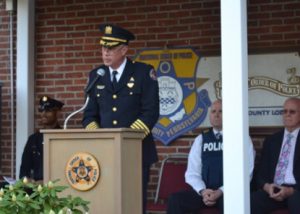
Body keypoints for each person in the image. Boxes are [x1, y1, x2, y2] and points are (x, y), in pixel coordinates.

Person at [82, 24, 160, 213]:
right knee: (105, 200)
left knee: (133, 202)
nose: (105, 53)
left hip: (136, 150)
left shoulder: (143, 72)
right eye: (103, 48)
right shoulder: (97, 75)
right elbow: (89, 114)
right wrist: (99, 139)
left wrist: (127, 140)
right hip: (104, 152)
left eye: (111, 48)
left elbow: (150, 112)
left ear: (124, 49)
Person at [167, 100, 255, 214]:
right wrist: (203, 191)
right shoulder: (201, 139)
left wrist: (220, 191)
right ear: (210, 115)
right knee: (176, 200)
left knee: (234, 206)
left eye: (221, 111)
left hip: (229, 193)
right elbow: (192, 172)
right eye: (213, 111)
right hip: (205, 192)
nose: (216, 114)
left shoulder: (241, 137)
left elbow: (247, 171)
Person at [251, 97, 300, 214]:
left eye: (292, 112)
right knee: (251, 201)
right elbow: (261, 173)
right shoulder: (272, 140)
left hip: (296, 191)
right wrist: (267, 187)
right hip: (274, 188)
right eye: (285, 111)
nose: (287, 115)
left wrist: (291, 191)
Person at [19, 95, 64, 182]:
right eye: (41, 110)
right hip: (35, 190)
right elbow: (24, 171)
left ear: (57, 113)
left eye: (48, 111)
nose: (43, 114)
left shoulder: (63, 137)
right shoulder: (33, 139)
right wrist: (28, 181)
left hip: (57, 188)